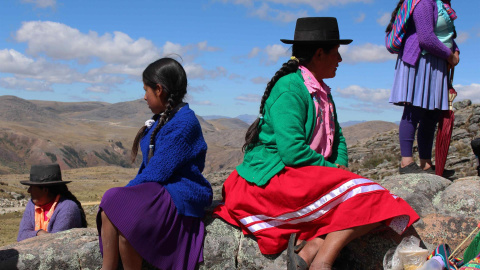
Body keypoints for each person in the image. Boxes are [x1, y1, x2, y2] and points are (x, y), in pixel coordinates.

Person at [213, 17, 420, 270]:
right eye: (337, 53)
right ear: (320, 54)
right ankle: (323, 261)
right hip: (274, 179)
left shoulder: (321, 90)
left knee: (385, 205)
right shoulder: (290, 88)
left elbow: (338, 136)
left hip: (306, 176)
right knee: (372, 196)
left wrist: (340, 166)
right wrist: (334, 173)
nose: (340, 60)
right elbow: (292, 152)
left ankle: (313, 247)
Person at [96, 58, 213, 270]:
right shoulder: (166, 117)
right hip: (161, 188)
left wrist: (128, 191)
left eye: (146, 90)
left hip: (180, 192)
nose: (144, 96)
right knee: (110, 204)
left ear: (159, 89)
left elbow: (158, 171)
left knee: (122, 216)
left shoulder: (185, 123)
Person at [387, 0, 460, 175]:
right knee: (415, 109)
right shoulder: (425, 2)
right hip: (420, 61)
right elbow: (426, 38)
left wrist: (456, 51)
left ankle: (426, 164)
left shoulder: (441, 6)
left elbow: (447, 34)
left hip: (435, 63)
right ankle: (406, 162)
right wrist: (450, 56)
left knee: (431, 114)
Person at [17, 163, 87, 241]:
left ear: (45, 190)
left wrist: (32, 235)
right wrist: (39, 233)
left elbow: (55, 241)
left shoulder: (68, 208)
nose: (28, 191)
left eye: (32, 187)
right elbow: (21, 236)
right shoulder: (32, 205)